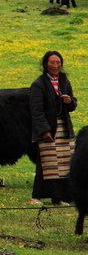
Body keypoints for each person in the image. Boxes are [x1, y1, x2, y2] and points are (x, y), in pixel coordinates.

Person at [30, 50, 77, 205]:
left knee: (63, 164)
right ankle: (36, 196)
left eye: (58, 63)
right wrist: (44, 130)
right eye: (52, 63)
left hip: (63, 127)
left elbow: (72, 105)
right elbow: (36, 110)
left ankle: (58, 198)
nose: (55, 66)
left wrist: (69, 101)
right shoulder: (38, 84)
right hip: (48, 128)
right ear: (45, 64)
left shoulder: (64, 81)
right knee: (47, 163)